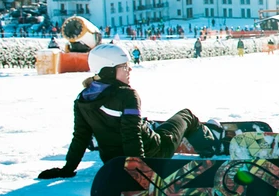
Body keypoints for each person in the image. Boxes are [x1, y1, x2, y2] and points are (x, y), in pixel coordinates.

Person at [37, 44, 220, 180]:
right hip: (155, 153)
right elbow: (131, 135)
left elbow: (80, 137)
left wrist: (67, 169)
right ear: (109, 71)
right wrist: (138, 173)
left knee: (143, 125)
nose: (129, 69)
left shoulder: (83, 99)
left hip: (112, 162)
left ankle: (151, 126)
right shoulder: (127, 95)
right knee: (186, 115)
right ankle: (210, 143)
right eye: (124, 66)